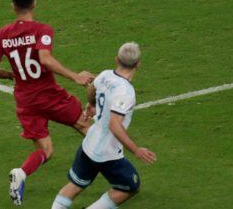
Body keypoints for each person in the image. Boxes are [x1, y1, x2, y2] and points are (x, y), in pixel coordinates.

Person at [0, 0, 96, 205]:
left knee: (45, 149)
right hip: (49, 95)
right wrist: (74, 76)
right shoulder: (42, 30)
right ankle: (115, 166)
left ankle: (21, 173)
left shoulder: (2, 34)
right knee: (85, 125)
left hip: (25, 100)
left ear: (13, 6)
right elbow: (45, 59)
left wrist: (10, 74)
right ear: (34, 3)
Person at [51, 42, 157, 209]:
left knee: (76, 184)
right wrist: (136, 150)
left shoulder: (105, 75)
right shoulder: (126, 92)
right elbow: (115, 126)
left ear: (117, 59)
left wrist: (90, 104)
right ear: (138, 64)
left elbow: (93, 87)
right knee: (130, 187)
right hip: (108, 154)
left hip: (89, 144)